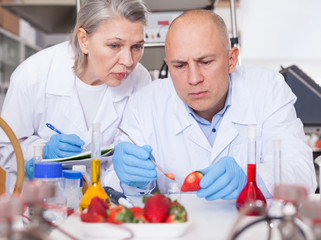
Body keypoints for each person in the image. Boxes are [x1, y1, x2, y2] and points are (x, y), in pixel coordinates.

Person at [106, 9, 317, 199]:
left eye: (205, 62)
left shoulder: (266, 89)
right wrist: (131, 179)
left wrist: (251, 178)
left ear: (232, 59)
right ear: (168, 65)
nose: (194, 78)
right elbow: (114, 183)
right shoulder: (146, 103)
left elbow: (302, 172)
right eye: (180, 65)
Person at [0, 0, 151, 195]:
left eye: (137, 47)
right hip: (41, 205)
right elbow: (6, 144)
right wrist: (40, 153)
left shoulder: (140, 80)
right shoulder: (33, 75)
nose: (128, 61)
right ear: (84, 40)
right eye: (114, 45)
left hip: (108, 207)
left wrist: (130, 175)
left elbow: (134, 151)